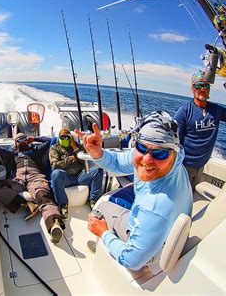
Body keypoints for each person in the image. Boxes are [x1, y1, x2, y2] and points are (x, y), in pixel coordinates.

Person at [75, 111, 192, 271]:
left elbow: (131, 260)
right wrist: (98, 152)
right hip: (162, 226)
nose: (147, 160)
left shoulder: (155, 207)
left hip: (151, 247)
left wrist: (103, 232)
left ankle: (103, 247)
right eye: (142, 147)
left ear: (174, 153)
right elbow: (117, 162)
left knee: (100, 207)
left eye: (160, 153)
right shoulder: (174, 160)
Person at [0, 133, 65, 244]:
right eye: (19, 140)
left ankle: (54, 223)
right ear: (15, 143)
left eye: (24, 139)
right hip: (18, 179)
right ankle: (27, 204)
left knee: (43, 195)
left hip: (35, 177)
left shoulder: (36, 150)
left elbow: (51, 140)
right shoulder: (12, 153)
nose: (22, 142)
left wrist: (34, 138)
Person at [174, 70, 226, 188]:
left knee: (193, 192)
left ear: (209, 89)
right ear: (192, 88)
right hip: (184, 167)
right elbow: (174, 141)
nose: (202, 89)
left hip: (202, 165)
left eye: (206, 86)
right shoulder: (184, 112)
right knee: (181, 197)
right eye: (198, 86)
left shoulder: (216, 110)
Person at [49, 128, 103, 218]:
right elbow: (55, 165)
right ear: (59, 138)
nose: (65, 139)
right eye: (62, 137)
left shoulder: (77, 146)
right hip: (66, 177)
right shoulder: (55, 148)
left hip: (79, 175)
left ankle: (93, 200)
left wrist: (74, 146)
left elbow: (83, 161)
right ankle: (63, 205)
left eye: (67, 137)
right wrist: (70, 159)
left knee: (97, 171)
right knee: (56, 174)